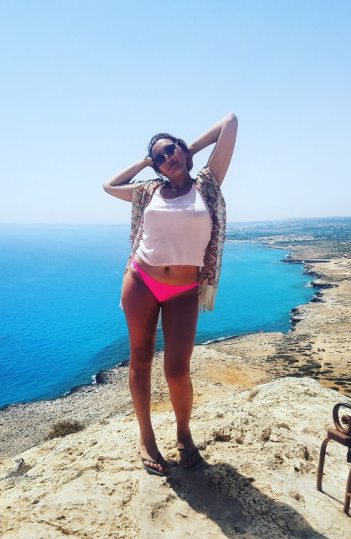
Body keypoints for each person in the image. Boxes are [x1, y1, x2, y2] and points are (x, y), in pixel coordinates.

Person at [102, 113, 237, 476]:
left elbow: (230, 122)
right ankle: (147, 440)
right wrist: (145, 163)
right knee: (140, 360)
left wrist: (187, 150)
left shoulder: (207, 183)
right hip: (141, 280)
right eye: (160, 157)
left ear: (182, 149)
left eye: (171, 150)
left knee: (177, 370)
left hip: (183, 290)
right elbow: (109, 186)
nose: (167, 158)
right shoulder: (148, 190)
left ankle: (183, 433)